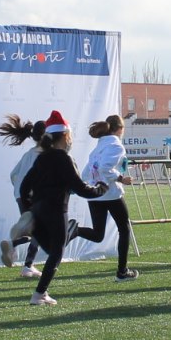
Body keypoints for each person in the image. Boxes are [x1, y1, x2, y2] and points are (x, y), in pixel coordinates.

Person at [15, 111, 109, 305]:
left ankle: (25, 232)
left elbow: (24, 186)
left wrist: (27, 209)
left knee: (51, 249)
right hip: (57, 211)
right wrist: (101, 189)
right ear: (66, 136)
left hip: (38, 211)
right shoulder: (63, 158)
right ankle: (40, 293)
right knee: (57, 253)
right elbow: (81, 188)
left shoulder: (42, 158)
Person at [70, 113, 137, 280]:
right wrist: (122, 178)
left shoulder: (99, 146)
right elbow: (105, 169)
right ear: (120, 129)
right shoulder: (116, 146)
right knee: (124, 230)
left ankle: (75, 230)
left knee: (98, 235)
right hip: (111, 193)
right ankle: (122, 272)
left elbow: (87, 171)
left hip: (95, 195)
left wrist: (78, 187)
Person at [0, 115, 47, 277]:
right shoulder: (44, 155)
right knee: (41, 231)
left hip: (20, 195)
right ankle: (26, 263)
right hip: (35, 196)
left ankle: (15, 248)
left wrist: (20, 192)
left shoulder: (28, 154)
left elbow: (13, 175)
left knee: (34, 230)